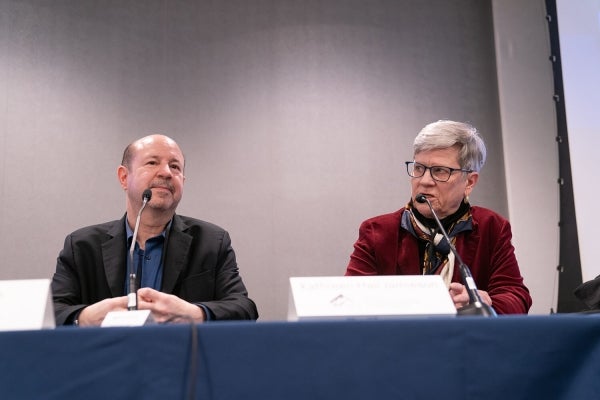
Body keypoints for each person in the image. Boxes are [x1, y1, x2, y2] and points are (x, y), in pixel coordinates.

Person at [52, 134, 258, 326]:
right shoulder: (81, 246)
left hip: (184, 360)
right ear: (124, 177)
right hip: (106, 360)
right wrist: (86, 317)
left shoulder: (212, 242)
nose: (167, 172)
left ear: (182, 182)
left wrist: (194, 313)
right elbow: (51, 311)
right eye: (152, 162)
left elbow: (244, 308)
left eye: (175, 167)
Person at [345, 120, 532, 314]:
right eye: (419, 168)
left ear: (469, 182)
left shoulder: (491, 227)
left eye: (440, 171)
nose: (424, 181)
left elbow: (517, 297)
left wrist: (485, 301)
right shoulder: (378, 231)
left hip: (466, 340)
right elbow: (351, 300)